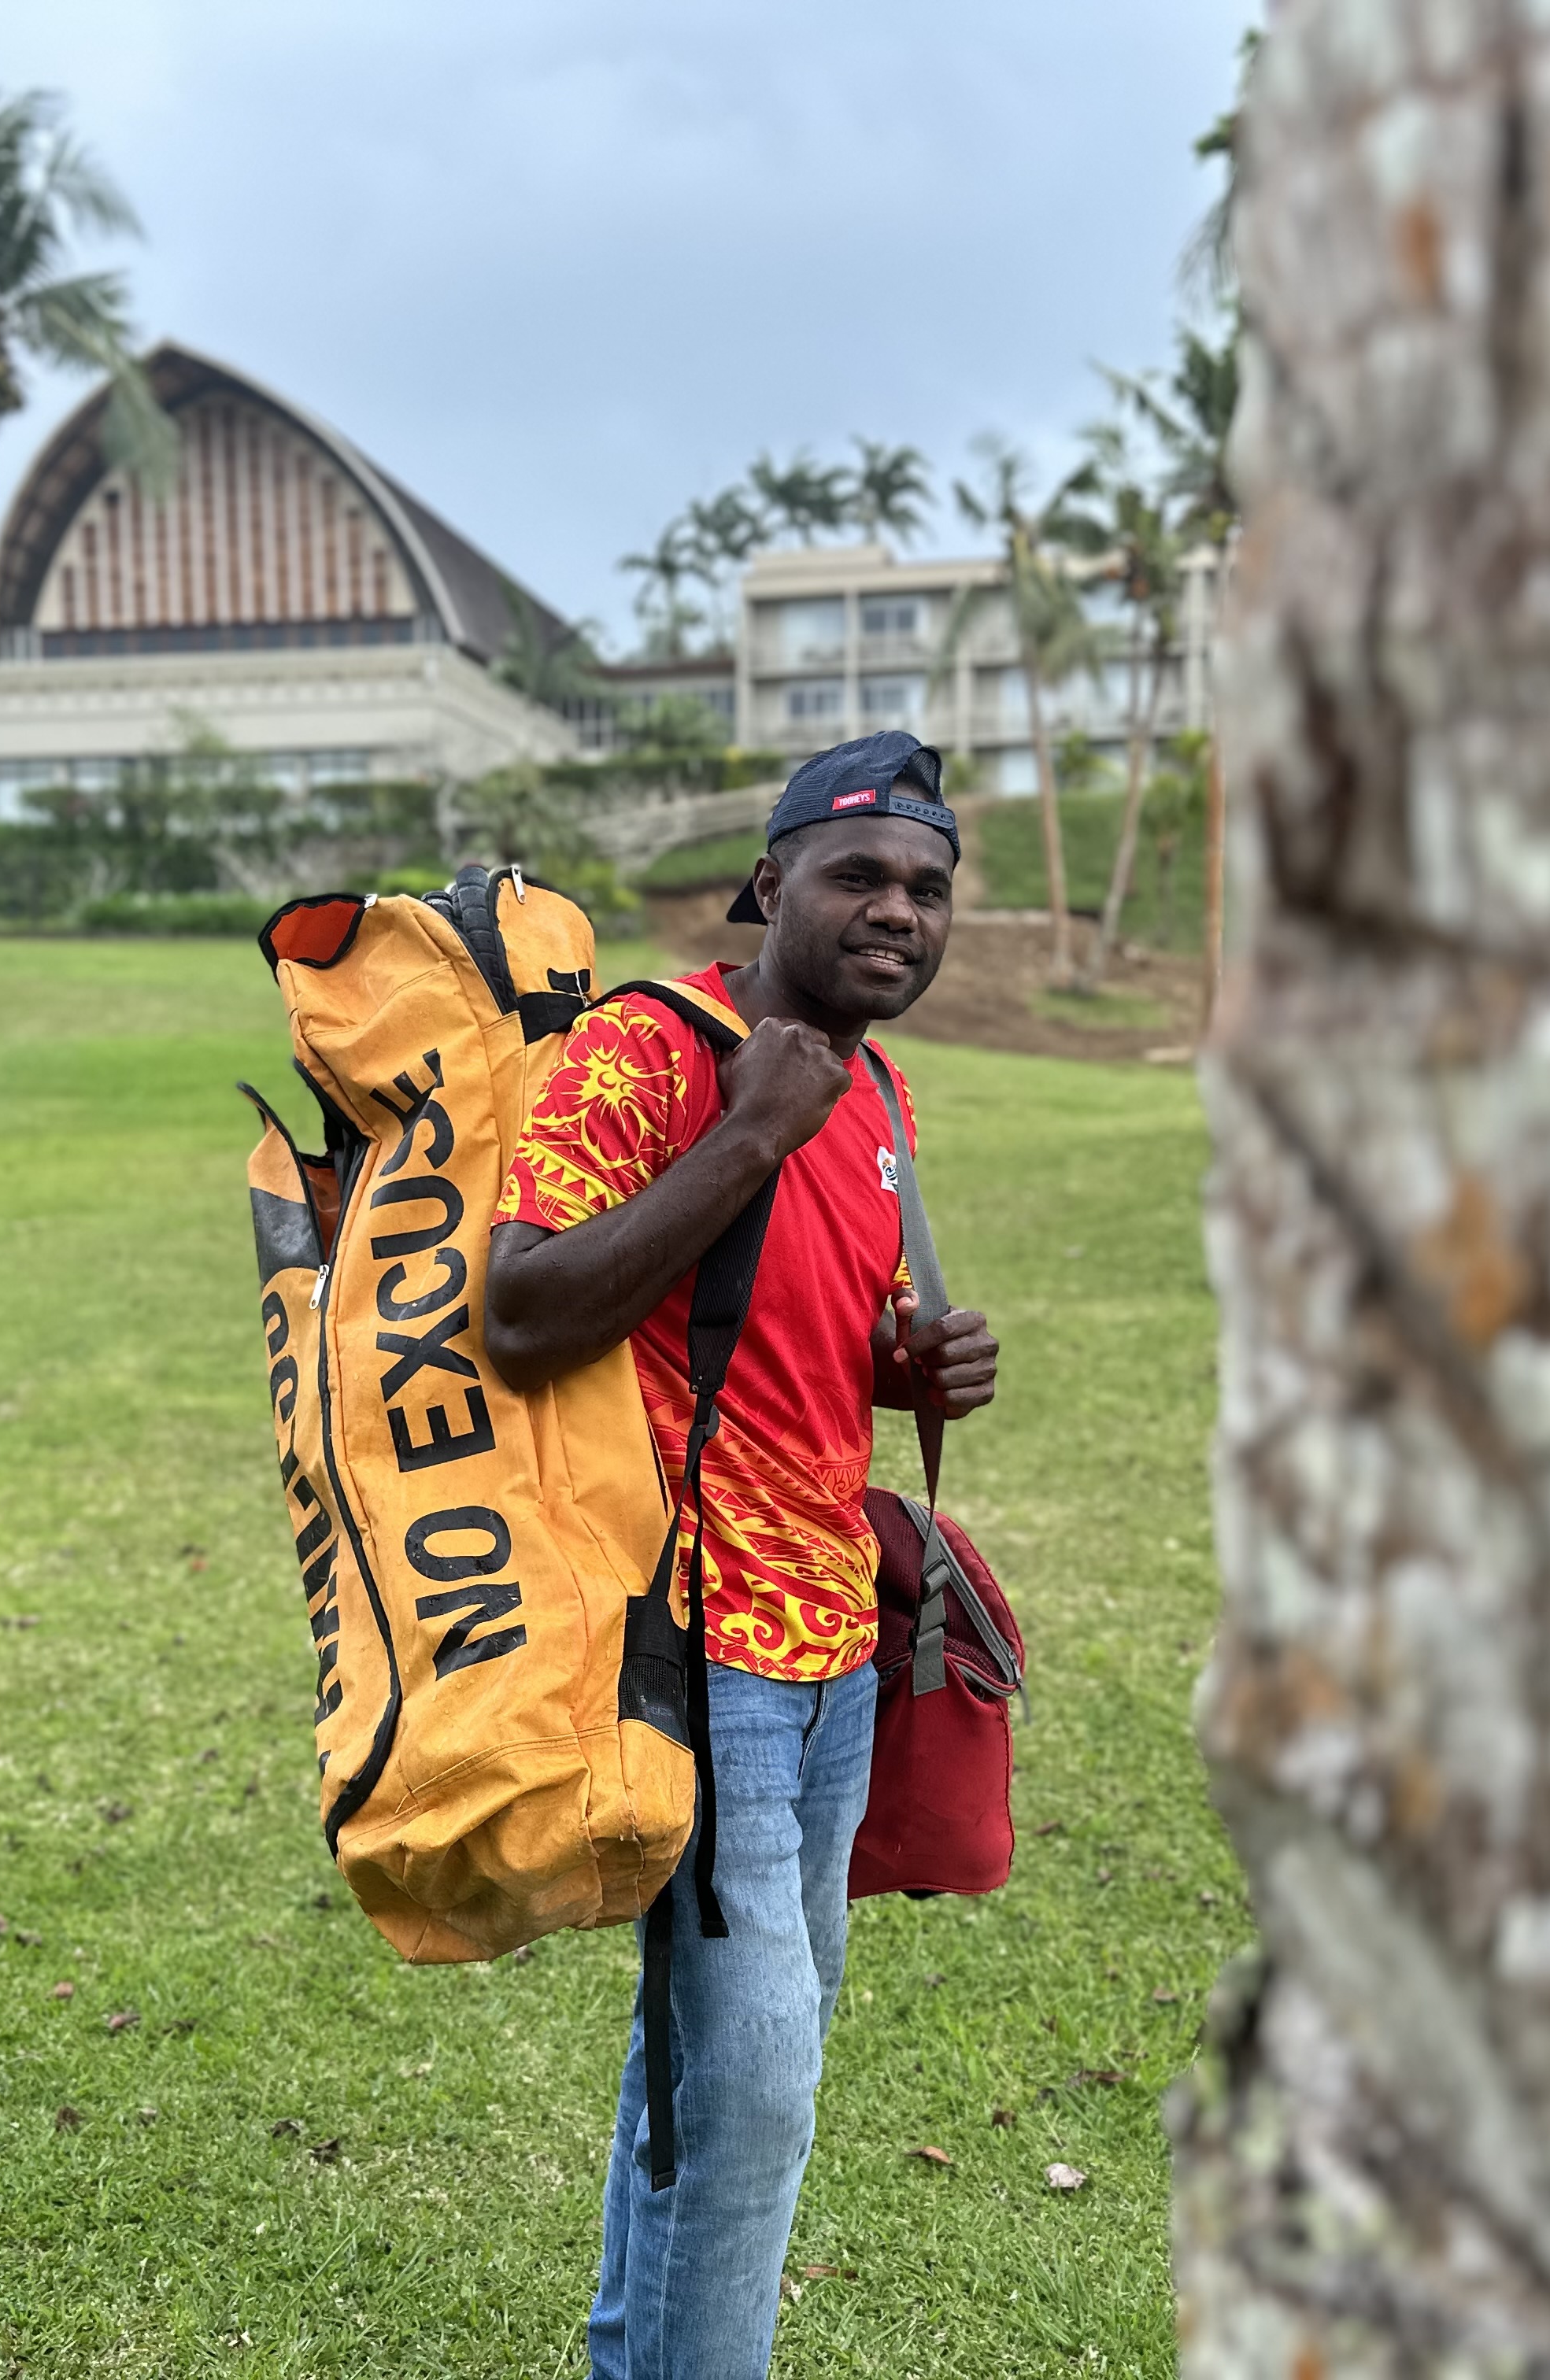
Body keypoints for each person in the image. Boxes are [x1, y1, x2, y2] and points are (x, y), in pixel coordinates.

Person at [483, 729, 1001, 2380]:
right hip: (693, 1641)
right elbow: (526, 1308)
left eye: (928, 887)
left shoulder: (880, 1084)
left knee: (724, 2069)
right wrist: (749, 1129)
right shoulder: (656, 1050)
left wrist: (891, 1370)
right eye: (859, 875)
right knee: (760, 2085)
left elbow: (740, 1322)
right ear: (773, 880)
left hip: (833, 1637)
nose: (897, 912)